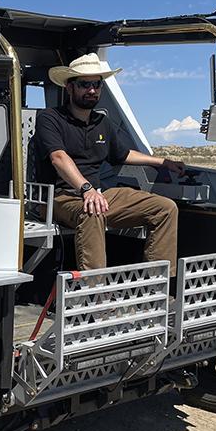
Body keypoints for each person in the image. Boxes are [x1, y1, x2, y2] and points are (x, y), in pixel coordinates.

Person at [34, 52, 185, 274]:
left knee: (165, 208)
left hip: (98, 194)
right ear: (69, 87)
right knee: (93, 212)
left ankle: (157, 286)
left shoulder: (102, 123)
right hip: (58, 197)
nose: (92, 90)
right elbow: (59, 157)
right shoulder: (50, 118)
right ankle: (96, 297)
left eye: (97, 84)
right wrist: (86, 189)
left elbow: (122, 155)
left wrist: (163, 162)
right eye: (85, 84)